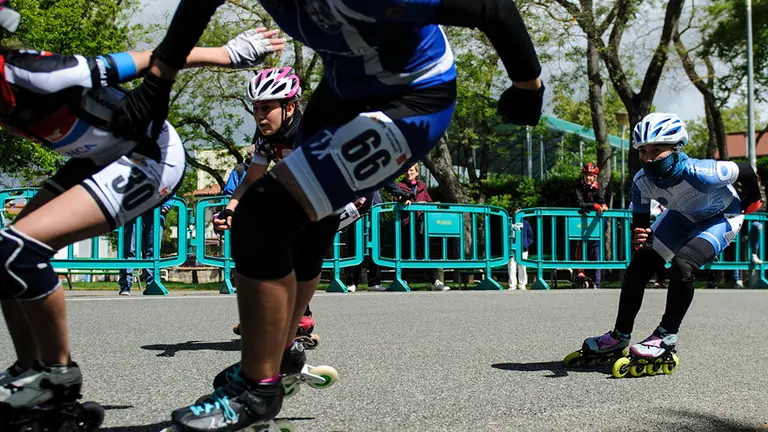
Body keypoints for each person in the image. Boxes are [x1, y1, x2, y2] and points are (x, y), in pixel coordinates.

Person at [117, 1, 544, 429]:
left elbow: (495, 9)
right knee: (304, 229)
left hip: (412, 99)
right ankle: (280, 358)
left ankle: (256, 389)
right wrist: (158, 83)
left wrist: (528, 87)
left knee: (263, 216)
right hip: (343, 90)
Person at [0, 6, 283, 421]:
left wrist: (226, 54)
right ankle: (31, 372)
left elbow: (154, 58)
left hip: (148, 156)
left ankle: (57, 375)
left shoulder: (35, 73)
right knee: (5, 255)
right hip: (97, 156)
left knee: (20, 250)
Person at [566, 113, 762, 377]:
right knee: (638, 267)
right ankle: (620, 335)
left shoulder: (703, 172)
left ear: (676, 147)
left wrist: (753, 202)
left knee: (683, 265)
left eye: (656, 150)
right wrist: (640, 235)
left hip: (721, 216)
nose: (647, 158)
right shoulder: (641, 181)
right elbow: (641, 222)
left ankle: (666, 337)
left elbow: (747, 171)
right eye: (643, 151)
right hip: (681, 216)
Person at [398, 163, 449, 291]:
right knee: (406, 252)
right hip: (406, 224)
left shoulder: (422, 186)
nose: (408, 173)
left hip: (421, 224)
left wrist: (425, 204)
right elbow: (397, 199)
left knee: (426, 251)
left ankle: (435, 281)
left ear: (416, 172)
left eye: (411, 170)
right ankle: (403, 280)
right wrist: (405, 201)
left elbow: (430, 202)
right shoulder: (400, 186)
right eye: (406, 170)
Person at [117, 197, 173, 295]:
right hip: (135, 212)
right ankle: (125, 285)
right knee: (130, 249)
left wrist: (167, 205)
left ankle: (152, 283)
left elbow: (170, 186)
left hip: (156, 213)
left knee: (153, 251)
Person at [573, 162, 607, 288]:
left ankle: (596, 282)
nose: (588, 178)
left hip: (594, 222)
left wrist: (602, 206)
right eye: (586, 175)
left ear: (595, 177)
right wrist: (594, 206)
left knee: (596, 248)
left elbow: (601, 200)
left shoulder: (598, 186)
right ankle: (580, 273)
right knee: (579, 244)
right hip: (580, 221)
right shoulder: (578, 185)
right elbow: (579, 203)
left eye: (591, 176)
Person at [508, 208, 533, 290]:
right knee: (512, 266)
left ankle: (522, 284)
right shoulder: (509, 223)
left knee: (522, 267)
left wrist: (526, 244)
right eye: (516, 213)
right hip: (511, 249)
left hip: (523, 249)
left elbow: (530, 235)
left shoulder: (526, 223)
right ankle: (512, 285)